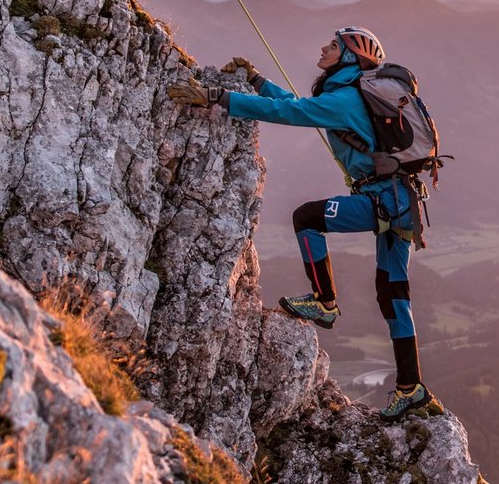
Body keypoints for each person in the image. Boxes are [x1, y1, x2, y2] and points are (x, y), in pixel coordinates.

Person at [165, 26, 443, 422]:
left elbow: (291, 113)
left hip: (380, 201)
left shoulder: (346, 99)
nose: (323, 49)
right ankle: (410, 387)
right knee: (393, 292)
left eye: (332, 46)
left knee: (307, 218)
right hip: (401, 204)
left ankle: (324, 302)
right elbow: (300, 106)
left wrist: (217, 97)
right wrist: (259, 81)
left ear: (349, 58)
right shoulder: (349, 96)